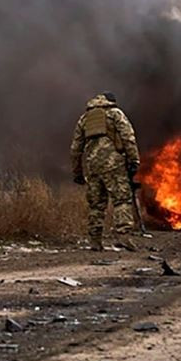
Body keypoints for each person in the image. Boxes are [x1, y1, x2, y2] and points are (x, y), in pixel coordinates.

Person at [69, 92, 142, 251]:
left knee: (96, 204)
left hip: (92, 166)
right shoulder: (115, 114)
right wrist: (134, 160)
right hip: (113, 164)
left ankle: (95, 241)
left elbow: (75, 148)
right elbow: (128, 137)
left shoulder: (85, 118)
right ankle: (123, 236)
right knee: (122, 200)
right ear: (111, 102)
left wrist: (77, 172)